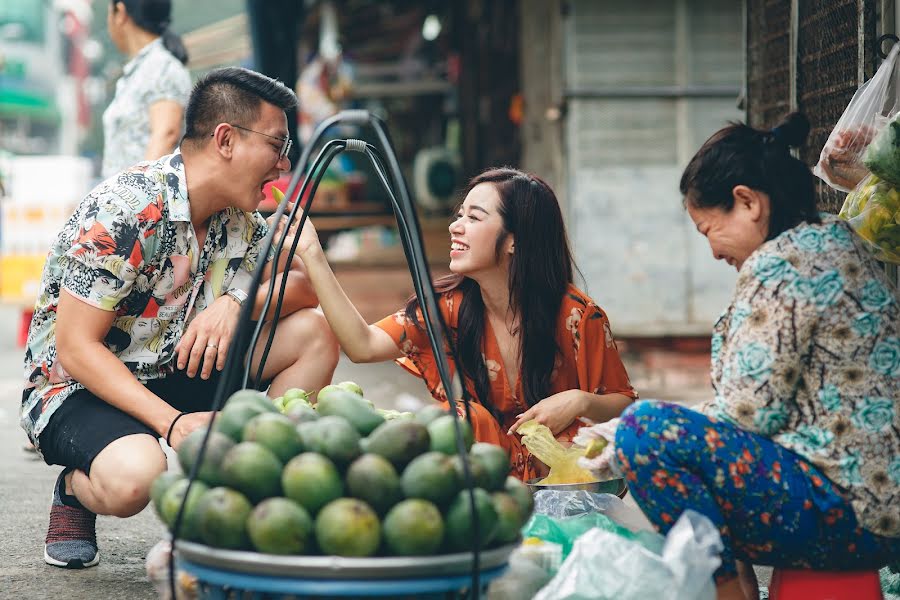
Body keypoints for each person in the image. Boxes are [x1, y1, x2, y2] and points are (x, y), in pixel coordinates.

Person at [22, 67, 339, 569]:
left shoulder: (240, 217)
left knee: (313, 334)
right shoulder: (124, 210)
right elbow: (76, 349)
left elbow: (299, 286)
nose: (283, 166)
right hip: (81, 385)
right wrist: (174, 426)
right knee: (135, 480)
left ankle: (240, 490)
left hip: (175, 363)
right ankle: (75, 492)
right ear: (226, 140)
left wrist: (235, 302)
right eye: (277, 146)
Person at [611, 113, 900, 600]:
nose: (711, 251)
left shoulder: (783, 264)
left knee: (644, 432)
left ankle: (729, 594)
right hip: (871, 504)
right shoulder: (828, 242)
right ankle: (737, 584)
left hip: (853, 509)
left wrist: (615, 433)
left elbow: (747, 416)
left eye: (708, 230)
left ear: (747, 202)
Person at [288, 167, 637, 481]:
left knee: (573, 435)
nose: (456, 226)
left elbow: (624, 404)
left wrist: (579, 401)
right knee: (460, 419)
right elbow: (362, 345)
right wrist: (313, 254)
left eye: (474, 217)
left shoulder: (578, 317)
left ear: (515, 240)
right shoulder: (449, 308)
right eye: (459, 215)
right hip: (484, 479)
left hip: (566, 480)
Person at [101, 0, 191, 178]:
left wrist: (139, 196)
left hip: (141, 201)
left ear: (119, 12)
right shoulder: (140, 70)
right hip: (123, 200)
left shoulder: (162, 67)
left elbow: (166, 134)